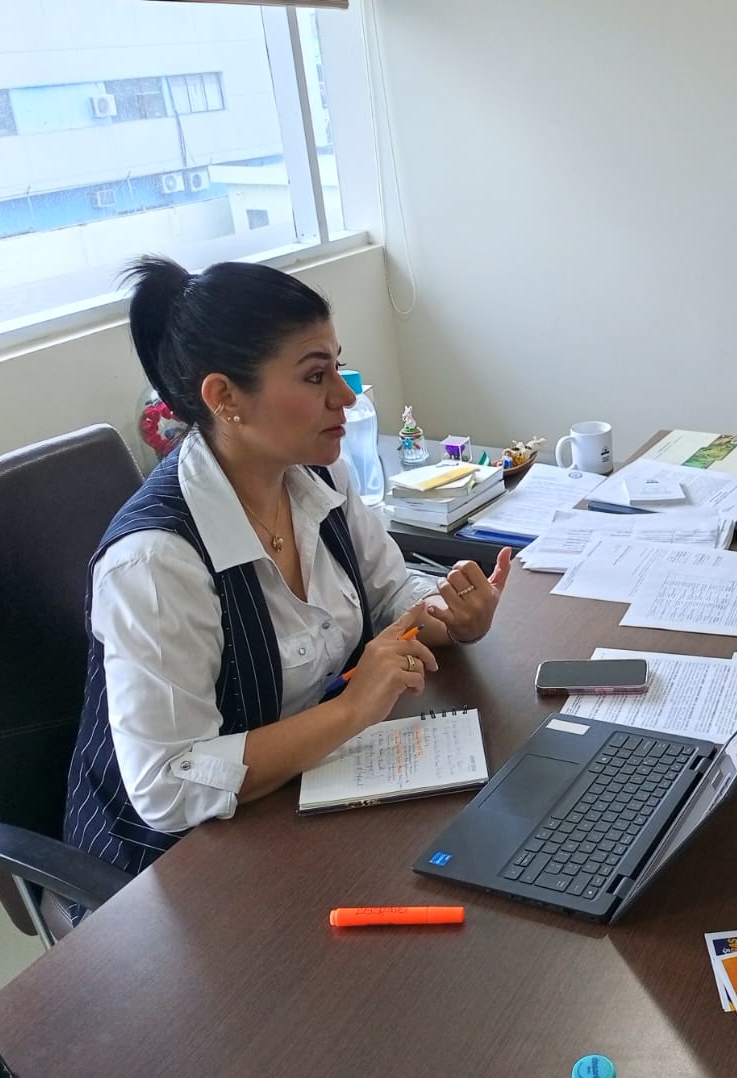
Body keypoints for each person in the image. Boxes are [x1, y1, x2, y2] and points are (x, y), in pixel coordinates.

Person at [64, 257, 511, 913]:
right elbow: (167, 786)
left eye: (338, 366)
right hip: (166, 877)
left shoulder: (317, 476)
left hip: (291, 803)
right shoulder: (156, 563)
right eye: (314, 375)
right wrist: (351, 712)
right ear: (224, 398)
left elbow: (391, 595)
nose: (346, 398)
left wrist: (449, 613)